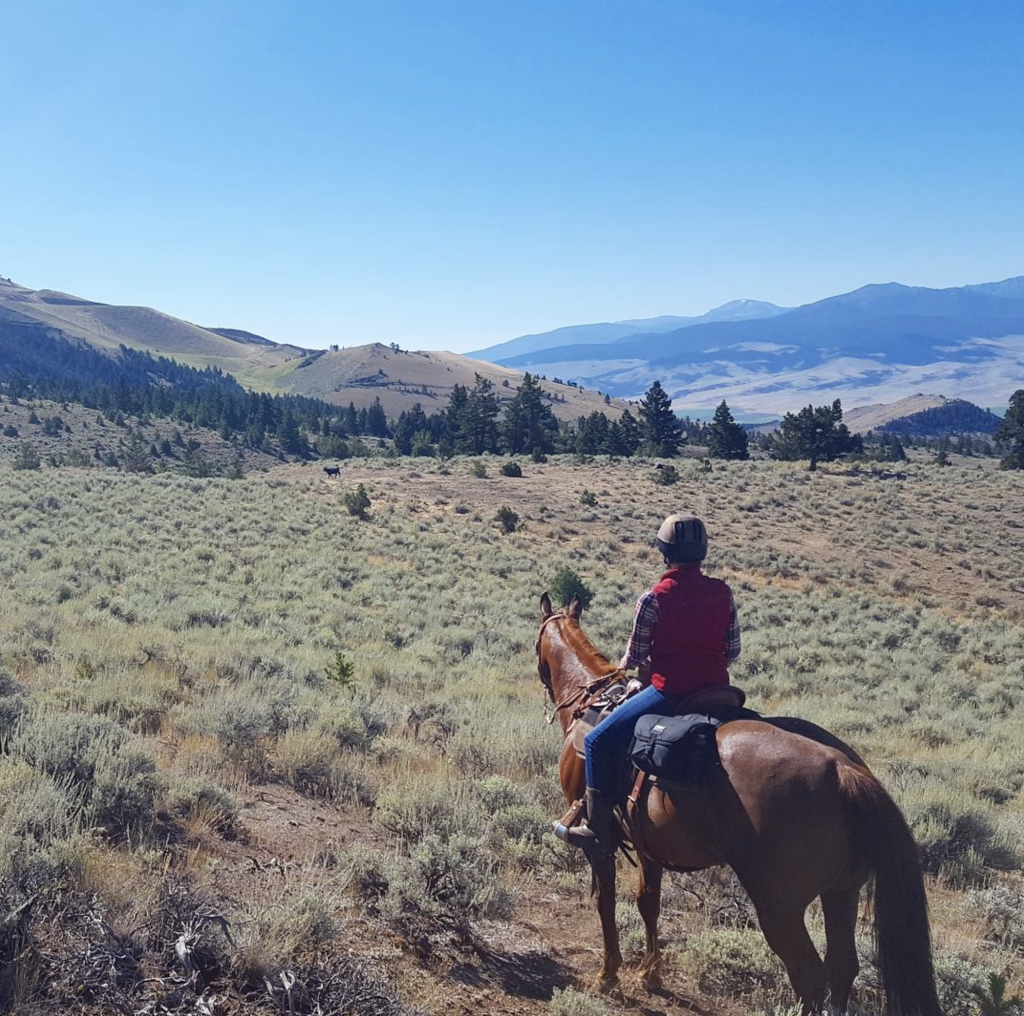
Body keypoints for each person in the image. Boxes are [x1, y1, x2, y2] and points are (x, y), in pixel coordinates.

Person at [567, 513, 741, 856]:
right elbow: (732, 651)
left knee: (598, 742)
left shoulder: (653, 598)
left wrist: (626, 666)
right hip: (719, 694)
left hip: (670, 694)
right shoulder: (723, 592)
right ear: (702, 551)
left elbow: (635, 655)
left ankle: (596, 828)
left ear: (664, 552)